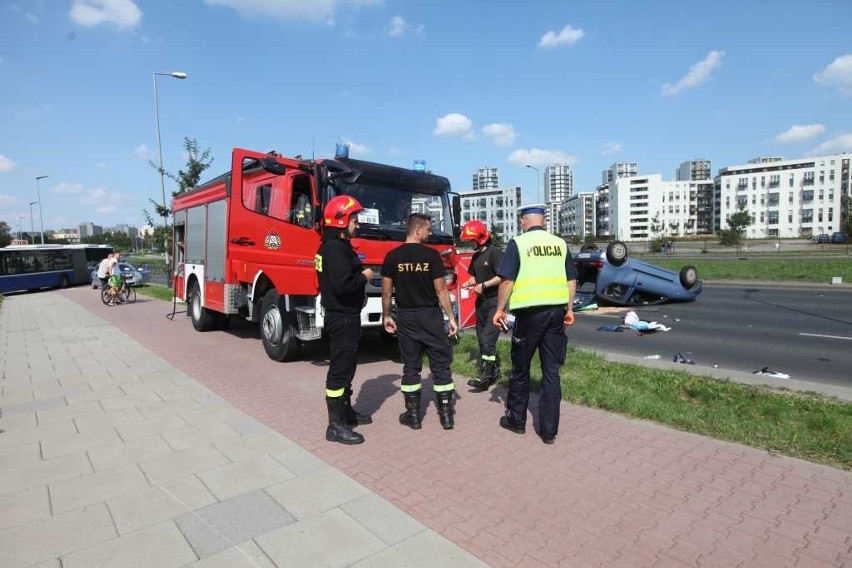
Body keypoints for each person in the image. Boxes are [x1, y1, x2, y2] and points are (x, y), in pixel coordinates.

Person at [492, 205, 578, 445]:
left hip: (529, 316)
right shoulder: (559, 244)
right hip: (556, 314)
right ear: (545, 221)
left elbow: (507, 280)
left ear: (523, 222)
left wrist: (500, 309)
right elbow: (571, 279)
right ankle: (549, 431)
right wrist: (569, 309)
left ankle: (516, 420)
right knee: (551, 372)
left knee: (521, 368)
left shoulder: (518, 244)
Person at [381, 213, 459, 430]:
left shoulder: (392, 257)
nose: (430, 232)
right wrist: (451, 318)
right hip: (430, 317)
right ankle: (446, 416)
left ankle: (413, 416)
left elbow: (386, 293)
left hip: (406, 317)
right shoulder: (432, 256)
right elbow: (441, 290)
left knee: (411, 367)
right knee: (440, 365)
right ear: (417, 230)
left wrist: (387, 316)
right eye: (428, 229)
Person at [315, 195, 374, 445]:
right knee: (339, 371)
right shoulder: (335, 249)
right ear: (340, 220)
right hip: (342, 318)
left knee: (347, 367)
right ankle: (335, 426)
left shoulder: (333, 247)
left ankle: (346, 413)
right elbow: (342, 285)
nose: (357, 224)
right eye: (354, 219)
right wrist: (364, 277)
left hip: (345, 316)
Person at [459, 220, 504, 392]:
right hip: (481, 303)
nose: (470, 244)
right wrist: (467, 283)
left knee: (487, 338)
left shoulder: (495, 253)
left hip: (494, 301)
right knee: (481, 339)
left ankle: (488, 375)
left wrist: (483, 285)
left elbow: (502, 276)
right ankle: (491, 371)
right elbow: (474, 277)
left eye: (471, 241)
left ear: (480, 238)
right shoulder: (477, 256)